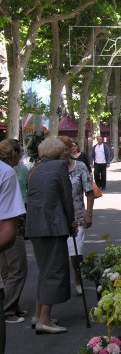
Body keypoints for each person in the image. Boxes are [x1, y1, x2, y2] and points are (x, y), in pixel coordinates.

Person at [26, 137, 76, 334]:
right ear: (57, 152)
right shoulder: (59, 168)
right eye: (64, 150)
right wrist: (72, 222)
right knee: (55, 270)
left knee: (45, 270)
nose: (67, 153)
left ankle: (38, 314)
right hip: (53, 226)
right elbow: (67, 198)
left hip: (35, 225)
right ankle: (44, 320)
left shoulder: (35, 169)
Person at [58, 136, 94, 296]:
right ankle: (60, 282)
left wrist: (89, 214)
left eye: (67, 148)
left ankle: (77, 276)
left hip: (77, 215)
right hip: (57, 218)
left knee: (76, 251)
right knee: (60, 252)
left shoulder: (80, 167)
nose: (65, 152)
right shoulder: (54, 168)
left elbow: (89, 191)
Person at [0, 140, 28, 325]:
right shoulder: (8, 172)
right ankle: (8, 309)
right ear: (14, 153)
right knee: (18, 268)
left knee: (6, 269)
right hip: (8, 224)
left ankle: (11, 305)